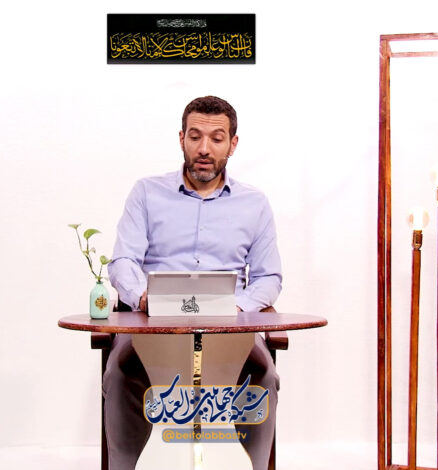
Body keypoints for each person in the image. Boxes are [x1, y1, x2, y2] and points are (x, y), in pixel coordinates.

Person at [106, 95, 282, 470]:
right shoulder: (146, 192)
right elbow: (123, 261)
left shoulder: (254, 203)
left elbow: (269, 276)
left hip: (230, 329)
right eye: (195, 136)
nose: (204, 149)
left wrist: (238, 307)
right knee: (121, 373)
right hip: (153, 326)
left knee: (263, 376)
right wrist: (141, 297)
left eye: (217, 138)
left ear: (233, 144)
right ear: (181, 138)